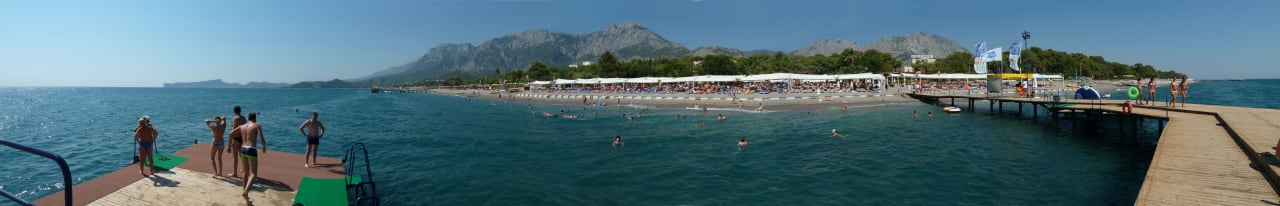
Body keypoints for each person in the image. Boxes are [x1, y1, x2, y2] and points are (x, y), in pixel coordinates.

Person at [237, 113, 267, 197]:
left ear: (248, 118)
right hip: (251, 149)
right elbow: (261, 136)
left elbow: (231, 134)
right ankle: (246, 192)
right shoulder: (256, 125)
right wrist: (264, 146)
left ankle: (244, 191)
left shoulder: (242, 126)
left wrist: (229, 145)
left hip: (243, 148)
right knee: (253, 173)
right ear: (255, 118)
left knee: (246, 173)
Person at [226, 106, 248, 178]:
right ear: (240, 111)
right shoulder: (244, 118)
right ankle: (244, 169)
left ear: (234, 111)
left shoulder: (235, 118)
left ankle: (235, 173)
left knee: (235, 157)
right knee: (242, 155)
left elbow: (234, 130)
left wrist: (229, 145)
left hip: (236, 138)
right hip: (242, 138)